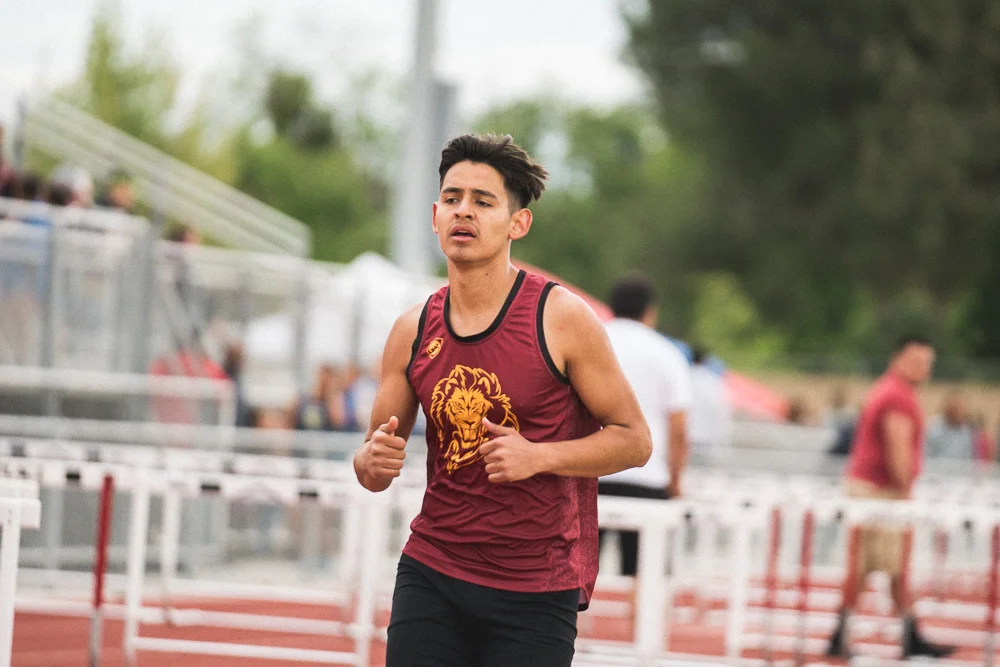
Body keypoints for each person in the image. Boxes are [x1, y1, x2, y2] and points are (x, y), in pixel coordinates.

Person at [352, 134, 652, 667]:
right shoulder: (412, 329)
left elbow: (636, 441)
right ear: (435, 216)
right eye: (452, 198)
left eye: (483, 201)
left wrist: (539, 456)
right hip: (433, 569)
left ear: (518, 223)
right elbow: (374, 469)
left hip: (535, 586)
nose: (463, 211)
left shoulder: (561, 318)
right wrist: (369, 461)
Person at [826, 336, 954, 659]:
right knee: (879, 566)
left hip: (872, 488)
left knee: (878, 566)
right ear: (898, 359)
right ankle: (897, 634)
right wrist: (906, 490)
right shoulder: (898, 396)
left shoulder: (889, 390)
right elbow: (898, 451)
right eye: (917, 361)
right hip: (881, 491)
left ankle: (896, 633)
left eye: (926, 362)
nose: (923, 369)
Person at [597, 275, 692, 577]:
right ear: (650, 311)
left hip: (591, 470)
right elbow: (678, 428)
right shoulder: (667, 353)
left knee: (574, 573)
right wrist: (675, 481)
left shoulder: (593, 342)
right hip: (647, 475)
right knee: (646, 575)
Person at [688, 345, 732, 464]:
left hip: (687, 437)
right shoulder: (713, 381)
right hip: (706, 437)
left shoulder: (685, 377)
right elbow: (722, 410)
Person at [924, 393, 976, 460]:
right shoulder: (933, 428)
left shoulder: (968, 431)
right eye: (956, 409)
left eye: (963, 409)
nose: (960, 413)